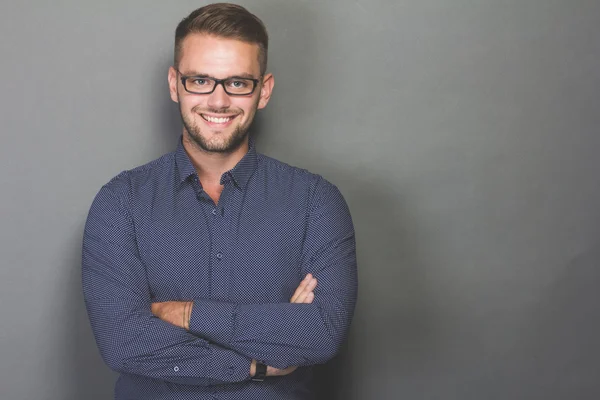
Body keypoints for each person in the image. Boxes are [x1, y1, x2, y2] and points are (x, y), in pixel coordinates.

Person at [82, 3, 357, 399]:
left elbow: (322, 334)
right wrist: (257, 363)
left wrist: (183, 314)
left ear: (264, 90)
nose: (218, 101)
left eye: (238, 83)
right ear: (175, 84)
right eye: (200, 81)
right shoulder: (120, 203)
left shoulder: (317, 202)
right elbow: (123, 341)